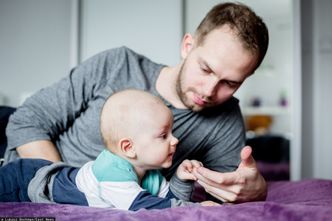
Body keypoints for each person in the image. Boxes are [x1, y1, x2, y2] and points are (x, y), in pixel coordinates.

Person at [4, 2, 269, 203]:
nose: (210, 91)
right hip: (26, 168)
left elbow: (224, 194)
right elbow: (27, 121)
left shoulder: (225, 119)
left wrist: (256, 191)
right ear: (188, 46)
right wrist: (66, 188)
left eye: (230, 83)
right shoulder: (117, 64)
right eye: (206, 69)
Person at [0, 89, 218, 210]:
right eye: (164, 136)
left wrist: (181, 180)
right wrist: (196, 210)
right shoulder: (111, 170)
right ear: (129, 147)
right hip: (26, 180)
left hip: (44, 173)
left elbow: (168, 200)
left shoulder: (150, 172)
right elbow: (141, 205)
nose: (176, 140)